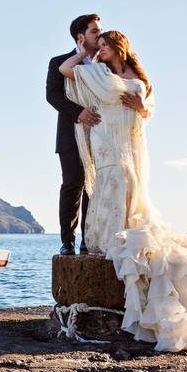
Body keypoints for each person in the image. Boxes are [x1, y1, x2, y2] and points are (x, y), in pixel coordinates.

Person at [58, 30, 187, 352]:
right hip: (104, 138)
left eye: (104, 45)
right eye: (97, 44)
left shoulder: (137, 79)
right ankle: (101, 239)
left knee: (126, 184)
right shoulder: (98, 74)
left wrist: (141, 108)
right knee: (106, 187)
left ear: (117, 47)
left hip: (125, 142)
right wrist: (87, 53)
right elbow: (65, 70)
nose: (100, 50)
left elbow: (146, 111)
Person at [46, 14, 103, 256]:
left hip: (101, 134)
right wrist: (79, 113)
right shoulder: (59, 62)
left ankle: (88, 239)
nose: (100, 35)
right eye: (95, 31)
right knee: (73, 184)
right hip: (70, 134)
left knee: (96, 188)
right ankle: (67, 241)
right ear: (81, 37)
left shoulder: (106, 65)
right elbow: (53, 96)